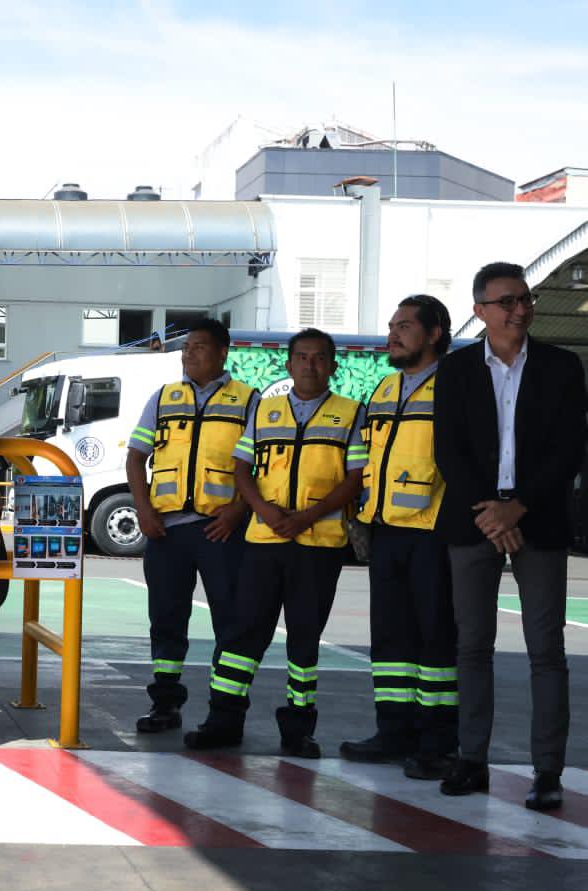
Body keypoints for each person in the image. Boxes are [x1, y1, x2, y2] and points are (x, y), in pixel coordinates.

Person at [434, 262, 586, 811]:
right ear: (480, 310)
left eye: (525, 299)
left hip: (537, 521)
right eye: (507, 302)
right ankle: (471, 759)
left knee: (546, 650)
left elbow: (569, 448)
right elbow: (448, 449)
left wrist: (517, 508)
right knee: (472, 645)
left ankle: (547, 771)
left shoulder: (561, 366)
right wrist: (491, 513)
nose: (520, 309)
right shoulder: (456, 370)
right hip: (473, 520)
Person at [184, 328, 366, 757]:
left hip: (319, 544)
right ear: (288, 364)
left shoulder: (350, 413)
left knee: (304, 640)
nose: (309, 365)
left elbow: (355, 477)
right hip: (263, 540)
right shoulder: (264, 411)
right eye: (301, 357)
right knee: (241, 634)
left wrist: (307, 516)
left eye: (319, 358)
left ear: (332, 366)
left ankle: (298, 730)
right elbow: (242, 468)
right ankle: (223, 720)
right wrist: (263, 510)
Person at [340, 295, 458, 779]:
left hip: (435, 531)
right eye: (391, 325)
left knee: (436, 640)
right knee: (390, 639)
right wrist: (358, 517)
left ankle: (438, 743)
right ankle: (393, 732)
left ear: (434, 333)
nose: (393, 334)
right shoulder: (386, 387)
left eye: (405, 326)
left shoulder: (455, 385)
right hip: (385, 529)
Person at [125, 318, 255, 734]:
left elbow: (262, 467)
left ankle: (226, 713)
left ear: (223, 353)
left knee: (231, 622)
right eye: (186, 348)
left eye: (199, 347)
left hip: (223, 530)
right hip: (167, 531)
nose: (189, 354)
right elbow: (135, 457)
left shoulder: (248, 402)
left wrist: (237, 511)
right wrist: (144, 510)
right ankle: (164, 705)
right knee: (166, 619)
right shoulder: (164, 398)